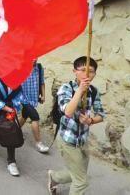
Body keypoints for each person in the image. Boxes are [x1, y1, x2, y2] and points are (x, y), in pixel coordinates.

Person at [47, 57, 105, 195]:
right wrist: (80, 90)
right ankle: (55, 178)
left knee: (79, 173)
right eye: (83, 70)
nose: (87, 74)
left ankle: (54, 177)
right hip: (68, 140)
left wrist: (90, 121)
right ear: (75, 71)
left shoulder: (94, 91)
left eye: (91, 71)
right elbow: (67, 111)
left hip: (83, 140)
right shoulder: (66, 88)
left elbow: (101, 115)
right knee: (81, 182)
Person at [20, 60, 49, 153]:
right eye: (31, 57)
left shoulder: (39, 67)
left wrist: (43, 95)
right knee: (35, 117)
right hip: (23, 98)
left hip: (34, 98)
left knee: (24, 115)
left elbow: (42, 83)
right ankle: (39, 143)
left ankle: (14, 131)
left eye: (36, 56)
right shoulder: (21, 66)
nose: (34, 59)